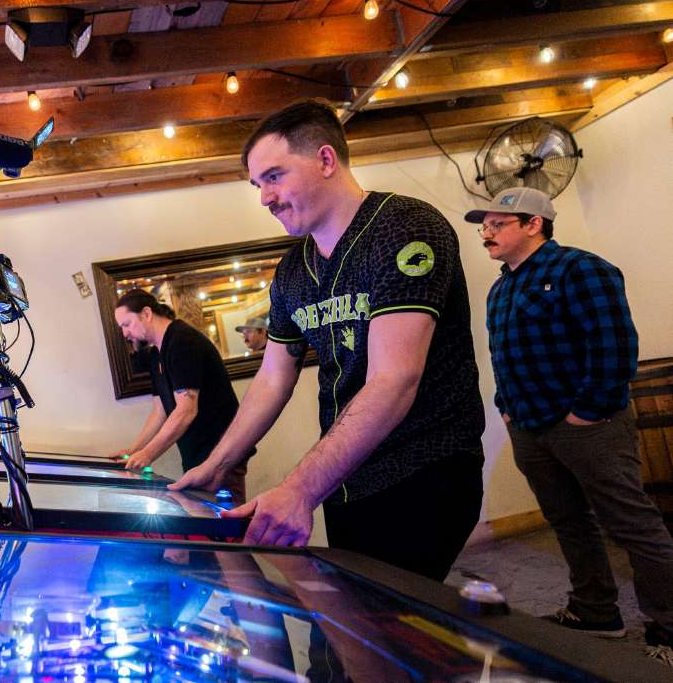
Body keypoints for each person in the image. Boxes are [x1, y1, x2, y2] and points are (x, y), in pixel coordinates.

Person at [170, 99, 485, 582]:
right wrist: (217, 464)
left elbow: (395, 379)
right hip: (346, 478)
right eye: (258, 185)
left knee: (385, 634)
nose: (265, 198)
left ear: (325, 159)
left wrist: (297, 489)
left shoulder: (404, 228)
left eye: (274, 176)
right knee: (350, 630)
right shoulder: (293, 271)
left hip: (423, 469)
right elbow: (273, 378)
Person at [466, 186, 673, 663]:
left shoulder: (581, 269)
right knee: (567, 521)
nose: (487, 234)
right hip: (529, 427)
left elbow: (615, 345)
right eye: (485, 226)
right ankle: (597, 612)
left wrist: (589, 410)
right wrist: (506, 407)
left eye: (498, 224)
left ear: (534, 224)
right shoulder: (502, 287)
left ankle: (669, 626)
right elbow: (505, 356)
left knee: (632, 525)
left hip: (588, 425)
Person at [111, 290, 250, 502]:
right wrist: (134, 451)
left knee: (227, 525)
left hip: (220, 453)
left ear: (146, 313)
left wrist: (148, 454)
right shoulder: (157, 352)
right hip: (197, 454)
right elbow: (160, 411)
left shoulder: (182, 341)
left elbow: (186, 410)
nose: (125, 333)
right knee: (208, 524)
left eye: (126, 324)